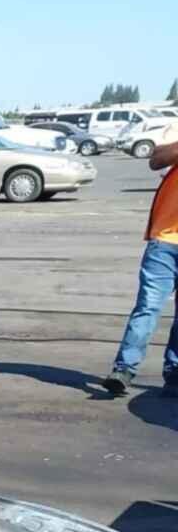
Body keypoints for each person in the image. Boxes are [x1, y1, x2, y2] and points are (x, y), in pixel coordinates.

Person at [104, 137, 178, 395]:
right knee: (148, 306)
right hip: (165, 242)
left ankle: (175, 371)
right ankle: (124, 368)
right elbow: (156, 159)